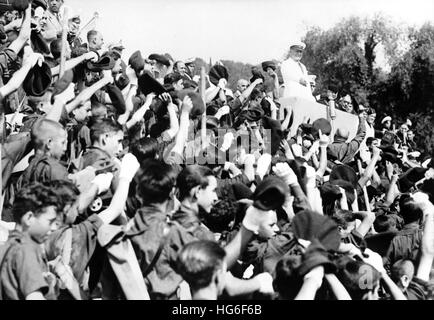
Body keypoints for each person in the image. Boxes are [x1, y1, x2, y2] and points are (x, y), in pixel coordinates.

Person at [0, 184, 60, 300]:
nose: (53, 228)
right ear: (29, 218)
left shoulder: (9, 244)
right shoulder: (26, 249)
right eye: (50, 221)